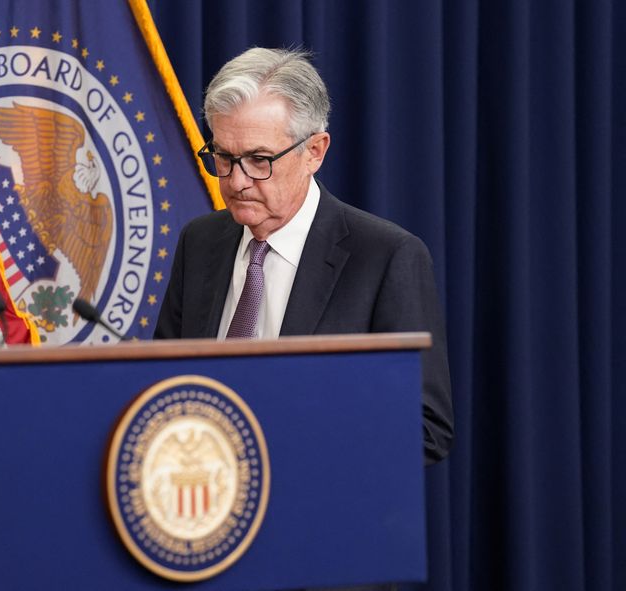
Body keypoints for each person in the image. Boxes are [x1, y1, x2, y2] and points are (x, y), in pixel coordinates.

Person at [154, 49, 452, 587]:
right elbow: (161, 384)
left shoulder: (385, 257)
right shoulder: (201, 243)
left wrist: (286, 441)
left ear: (315, 150)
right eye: (222, 158)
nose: (238, 180)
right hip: (199, 548)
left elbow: (425, 430)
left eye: (260, 160)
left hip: (325, 555)